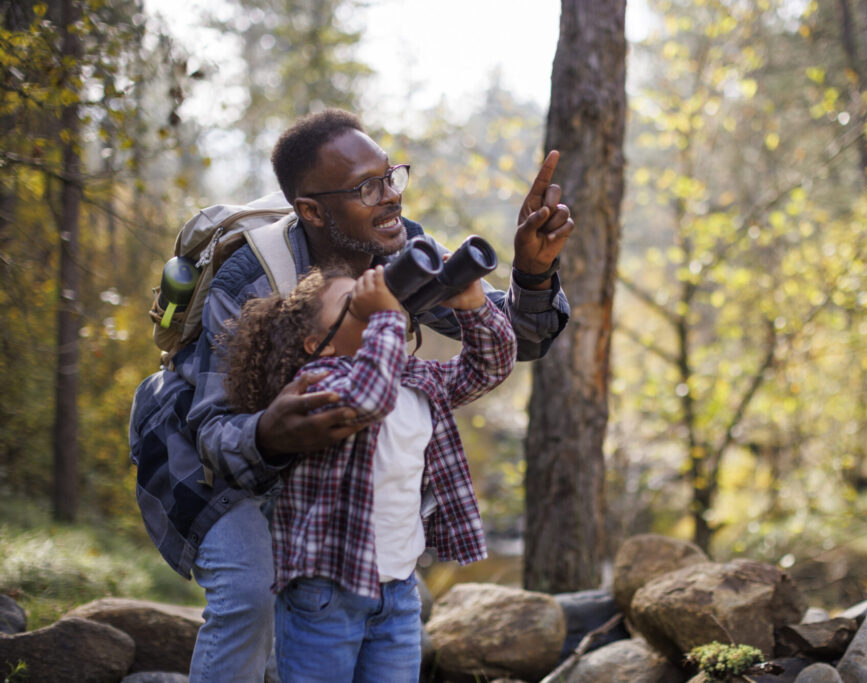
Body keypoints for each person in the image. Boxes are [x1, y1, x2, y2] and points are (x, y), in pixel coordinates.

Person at [156, 108, 573, 682]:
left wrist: (531, 273)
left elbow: (510, 345)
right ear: (311, 210)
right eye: (367, 187)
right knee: (250, 592)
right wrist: (274, 432)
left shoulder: (399, 248)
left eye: (392, 176)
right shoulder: (248, 277)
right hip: (209, 450)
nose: (391, 197)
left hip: (338, 491)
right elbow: (215, 435)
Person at [221, 263, 515, 681]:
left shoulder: (416, 380)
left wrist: (474, 306)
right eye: (353, 302)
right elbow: (368, 399)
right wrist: (388, 317)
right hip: (325, 593)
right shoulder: (318, 383)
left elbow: (489, 368)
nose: (375, 306)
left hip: (398, 592)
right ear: (317, 344)